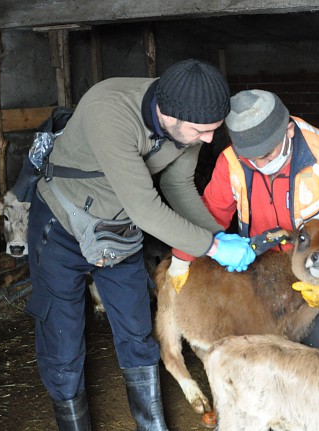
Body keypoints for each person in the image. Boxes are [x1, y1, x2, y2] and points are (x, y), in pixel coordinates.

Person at [25, 59, 256, 431]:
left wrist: (215, 233)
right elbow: (147, 209)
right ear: (168, 115)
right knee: (63, 339)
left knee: (136, 330)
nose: (210, 139)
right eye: (202, 131)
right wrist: (211, 248)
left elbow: (177, 186)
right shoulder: (109, 110)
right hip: (62, 226)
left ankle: (153, 427)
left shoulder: (190, 122)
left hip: (118, 227)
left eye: (214, 130)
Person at [167, 89, 319, 349]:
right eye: (250, 158)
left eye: (266, 155)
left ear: (288, 131)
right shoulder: (231, 161)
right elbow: (211, 211)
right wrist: (182, 256)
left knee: (316, 347)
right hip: (264, 266)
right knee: (265, 344)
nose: (258, 164)